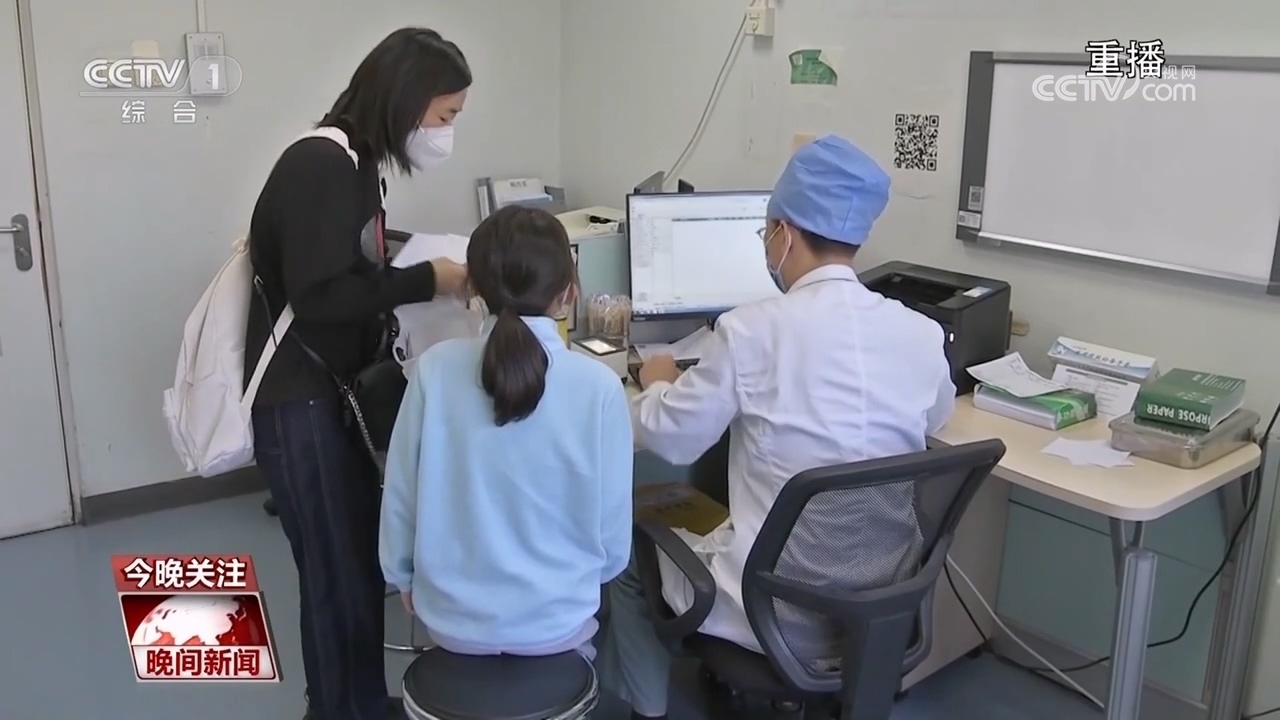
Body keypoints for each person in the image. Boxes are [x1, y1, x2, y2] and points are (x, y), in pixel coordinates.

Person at [599, 135, 957, 719]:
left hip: (769, 612)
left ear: (784, 234)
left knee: (630, 550)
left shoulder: (749, 331)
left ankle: (645, 711)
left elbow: (672, 437)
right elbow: (936, 417)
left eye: (766, 231)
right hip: (876, 609)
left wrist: (658, 382)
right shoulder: (920, 333)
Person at [242, 28, 471, 720]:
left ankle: (357, 702)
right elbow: (320, 295)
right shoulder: (321, 164)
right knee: (335, 577)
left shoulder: (358, 164)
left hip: (326, 397)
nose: (447, 132)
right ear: (406, 100)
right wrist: (426, 280)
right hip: (299, 402)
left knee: (351, 569)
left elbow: (346, 268)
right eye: (446, 115)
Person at [379, 205, 634, 662]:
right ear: (569, 293)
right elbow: (613, 550)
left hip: (449, 623)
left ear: (473, 288)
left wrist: (403, 576)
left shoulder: (433, 371)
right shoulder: (599, 388)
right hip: (557, 625)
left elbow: (401, 495)